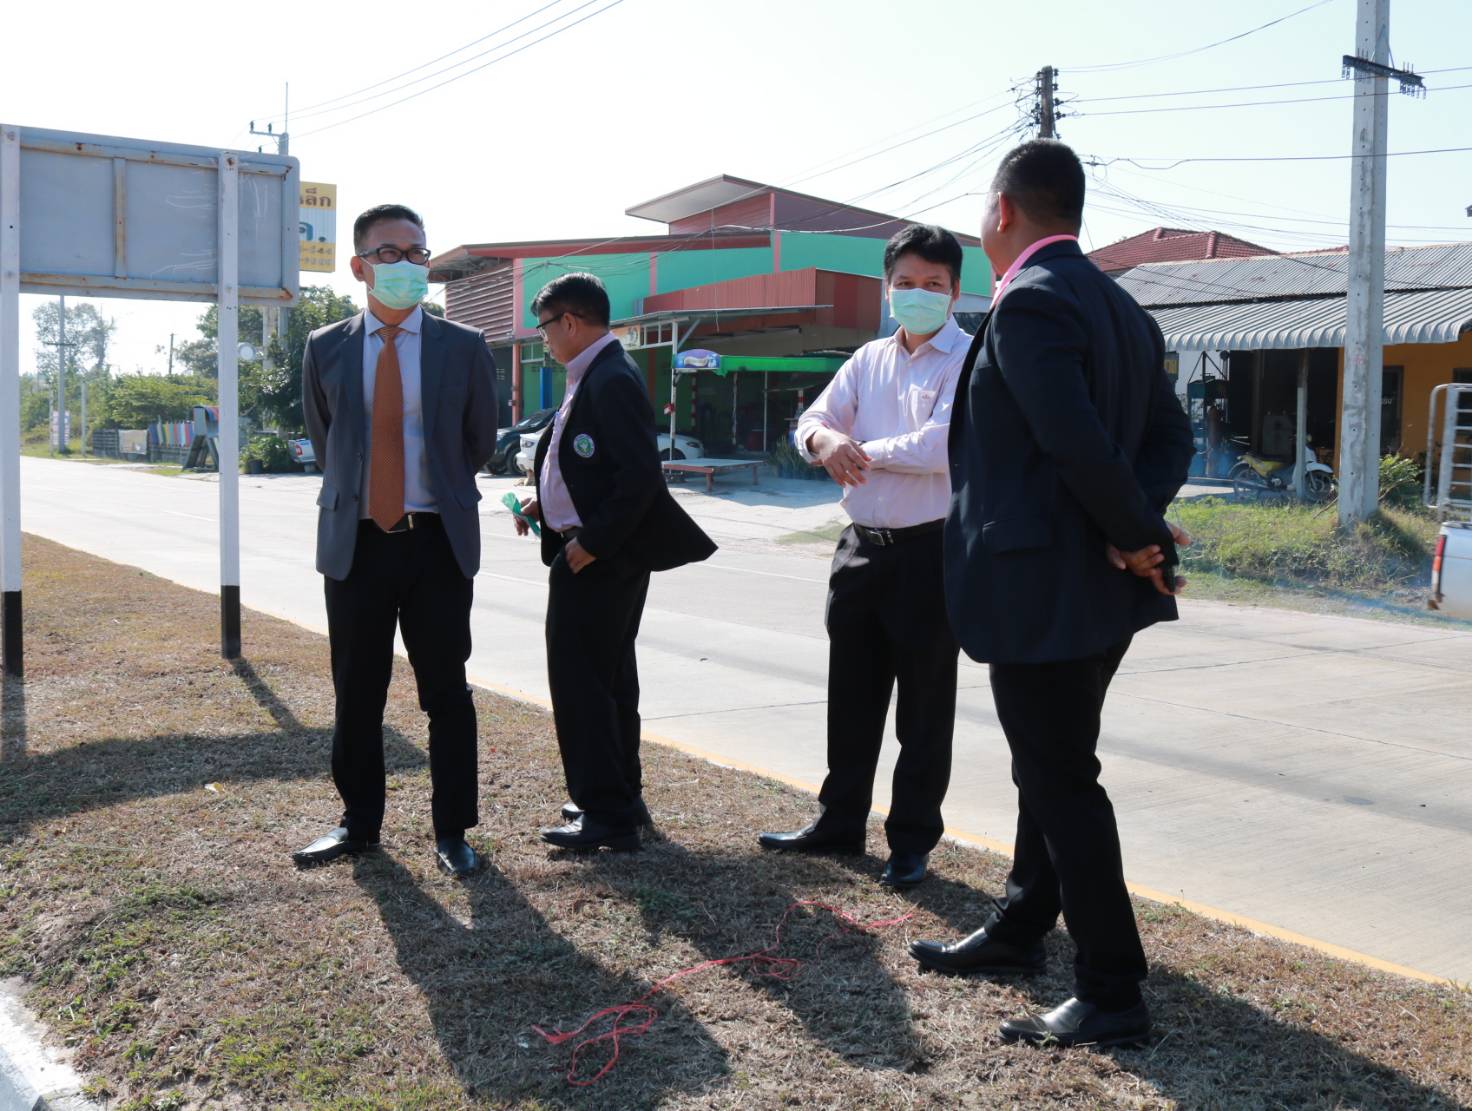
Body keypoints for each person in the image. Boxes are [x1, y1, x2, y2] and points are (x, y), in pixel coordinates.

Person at [909, 141, 1194, 1047]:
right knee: (1051, 760)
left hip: (1046, 585)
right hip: (1098, 588)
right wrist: (1135, 526)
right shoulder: (1119, 305)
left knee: (1062, 778)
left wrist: (1132, 530)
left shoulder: (1030, 300)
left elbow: (1073, 440)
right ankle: (1023, 922)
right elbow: (1171, 438)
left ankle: (1111, 990)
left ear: (1002, 210)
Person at [757, 226, 969, 889]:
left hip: (930, 552)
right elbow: (813, 421)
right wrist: (824, 442)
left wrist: (857, 450)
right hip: (860, 550)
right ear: (886, 287)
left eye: (933, 284)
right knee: (851, 696)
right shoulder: (868, 358)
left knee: (923, 710)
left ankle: (911, 841)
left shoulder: (967, 359)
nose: (917, 294)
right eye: (904, 282)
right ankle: (839, 820)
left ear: (956, 291)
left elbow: (941, 446)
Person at [294, 203, 498, 878]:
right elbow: (328, 440)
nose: (407, 264)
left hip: (436, 542)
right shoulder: (325, 346)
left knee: (447, 691)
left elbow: (477, 440)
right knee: (357, 691)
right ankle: (358, 823)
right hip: (356, 544)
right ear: (359, 266)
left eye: (417, 252)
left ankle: (453, 830)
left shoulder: (463, 346)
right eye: (390, 253)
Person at [513, 273, 715, 852]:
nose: (543, 341)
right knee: (607, 679)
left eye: (544, 329)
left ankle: (605, 812)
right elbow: (590, 466)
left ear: (569, 322)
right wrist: (547, 501)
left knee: (582, 684)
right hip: (592, 549)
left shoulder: (610, 377)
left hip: (597, 558)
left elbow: (640, 478)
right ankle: (619, 796)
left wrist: (594, 541)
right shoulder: (594, 372)